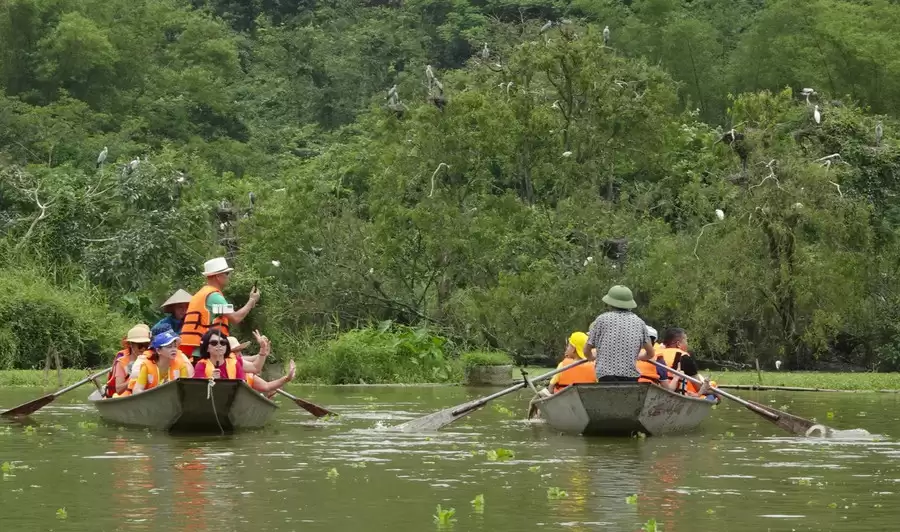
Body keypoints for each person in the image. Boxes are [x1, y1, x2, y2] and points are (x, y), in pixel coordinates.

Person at [180, 257, 260, 359]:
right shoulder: (214, 297)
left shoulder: (202, 295)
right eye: (226, 274)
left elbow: (219, 315)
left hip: (199, 351)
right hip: (209, 353)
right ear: (218, 276)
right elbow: (235, 318)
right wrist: (251, 301)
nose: (228, 277)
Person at [193, 328, 296, 395]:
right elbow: (196, 391)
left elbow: (256, 368)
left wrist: (263, 350)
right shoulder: (201, 365)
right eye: (214, 343)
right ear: (207, 348)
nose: (219, 346)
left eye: (223, 343)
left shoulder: (234, 362)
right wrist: (210, 381)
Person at [584, 285, 654, 382]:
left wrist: (591, 357)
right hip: (630, 376)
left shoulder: (602, 319)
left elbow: (586, 350)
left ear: (610, 303)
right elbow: (650, 353)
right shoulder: (639, 322)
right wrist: (636, 357)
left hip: (605, 376)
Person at [105, 324, 151, 398]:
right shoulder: (122, 362)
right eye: (140, 345)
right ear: (131, 344)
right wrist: (137, 380)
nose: (143, 348)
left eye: (146, 345)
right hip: (126, 396)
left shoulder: (152, 357)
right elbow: (118, 389)